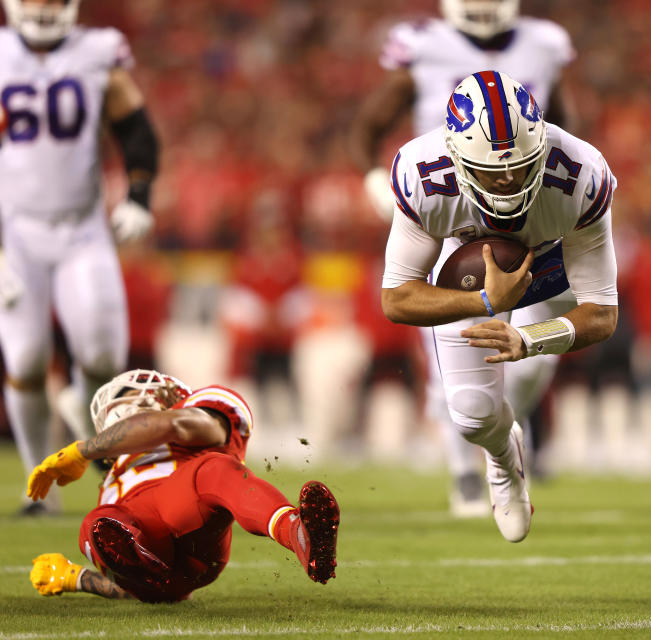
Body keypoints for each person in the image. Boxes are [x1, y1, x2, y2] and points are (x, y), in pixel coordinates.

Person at [349, 0, 576, 517]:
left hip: (530, 209)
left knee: (535, 358)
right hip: (451, 215)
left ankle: (501, 436)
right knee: (453, 358)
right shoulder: (424, 44)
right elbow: (370, 122)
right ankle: (463, 471)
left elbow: (565, 126)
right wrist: (370, 178)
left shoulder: (544, 43)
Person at [380, 70, 618, 542]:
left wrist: (528, 339)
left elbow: (603, 312)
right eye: (493, 168)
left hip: (552, 258)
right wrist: (484, 300)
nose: (508, 179)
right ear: (456, 157)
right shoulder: (423, 174)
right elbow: (396, 298)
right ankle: (504, 458)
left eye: (522, 164)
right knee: (470, 412)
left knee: (527, 374)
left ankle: (518, 423)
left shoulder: (580, 176)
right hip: (470, 263)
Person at [0, 0, 158, 512]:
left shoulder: (96, 51)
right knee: (24, 360)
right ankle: (36, 484)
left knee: (101, 358)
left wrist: (138, 194)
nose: (43, 8)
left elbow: (135, 128)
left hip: (82, 231)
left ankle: (86, 423)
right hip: (15, 233)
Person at [25, 369, 339, 602]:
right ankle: (149, 563)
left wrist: (83, 450)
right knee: (97, 524)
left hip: (187, 510)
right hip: (158, 572)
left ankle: (300, 534)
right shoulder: (110, 483)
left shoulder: (192, 412)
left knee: (214, 468)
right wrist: (78, 578)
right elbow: (124, 589)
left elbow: (171, 424)